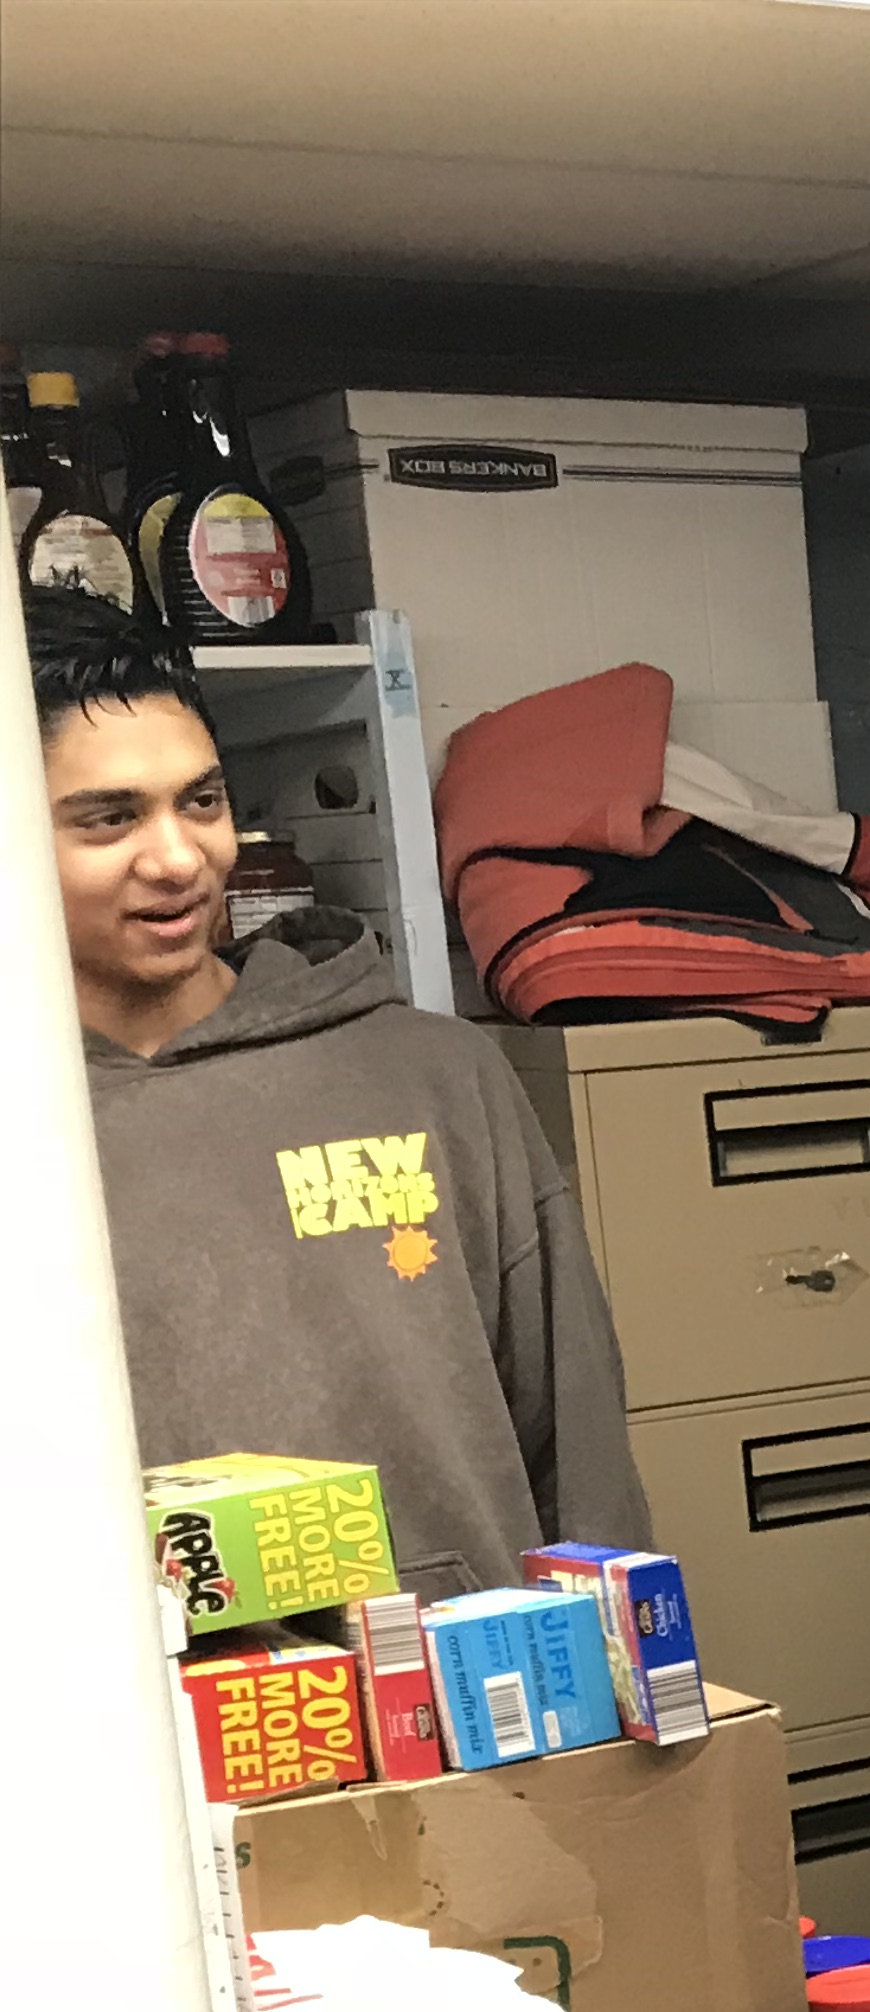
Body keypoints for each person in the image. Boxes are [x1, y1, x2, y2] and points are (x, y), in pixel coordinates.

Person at [41, 585, 648, 1587]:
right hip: (141, 1686)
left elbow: (578, 1448)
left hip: (463, 1676)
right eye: (110, 820)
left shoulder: (429, 1078)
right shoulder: (33, 1126)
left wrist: (624, 1664)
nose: (180, 857)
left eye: (202, 801)